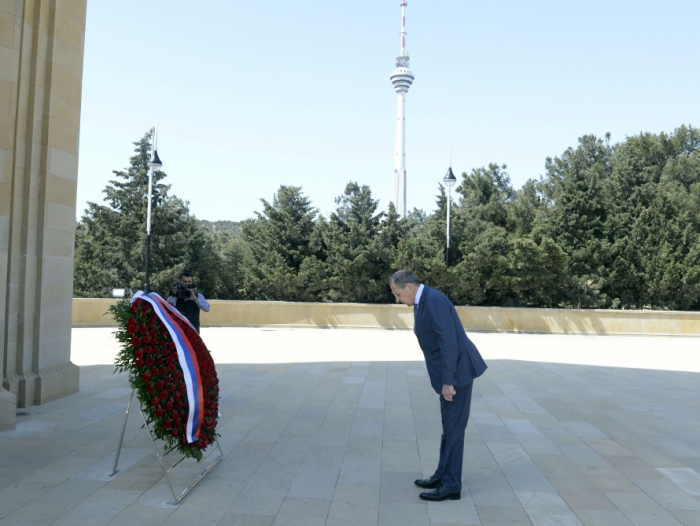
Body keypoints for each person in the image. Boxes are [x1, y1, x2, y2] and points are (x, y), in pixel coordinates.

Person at [389, 270, 487, 502]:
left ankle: (452, 484)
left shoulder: (433, 301)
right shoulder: (422, 301)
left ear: (410, 287)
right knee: (449, 427)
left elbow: (448, 342)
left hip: (457, 373)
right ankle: (442, 474)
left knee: (454, 430)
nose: (397, 299)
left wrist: (448, 382)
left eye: (398, 294)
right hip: (450, 372)